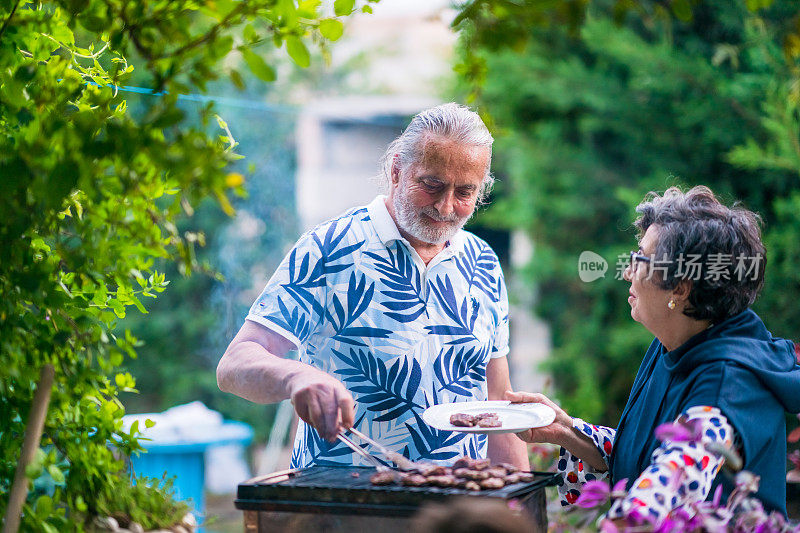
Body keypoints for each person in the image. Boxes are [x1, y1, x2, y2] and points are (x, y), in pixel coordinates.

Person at [217, 103, 529, 470]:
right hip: (342, 507)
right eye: (432, 185)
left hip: (454, 509)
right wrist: (296, 375)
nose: (446, 207)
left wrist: (519, 506)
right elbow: (234, 364)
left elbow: (498, 404)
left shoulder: (483, 262)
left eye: (464, 192)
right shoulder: (328, 249)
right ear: (397, 170)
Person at [507, 186, 800, 523]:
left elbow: (667, 486)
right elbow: (649, 454)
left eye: (641, 259)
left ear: (680, 287)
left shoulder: (728, 382)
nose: (629, 271)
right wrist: (567, 431)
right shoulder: (675, 342)